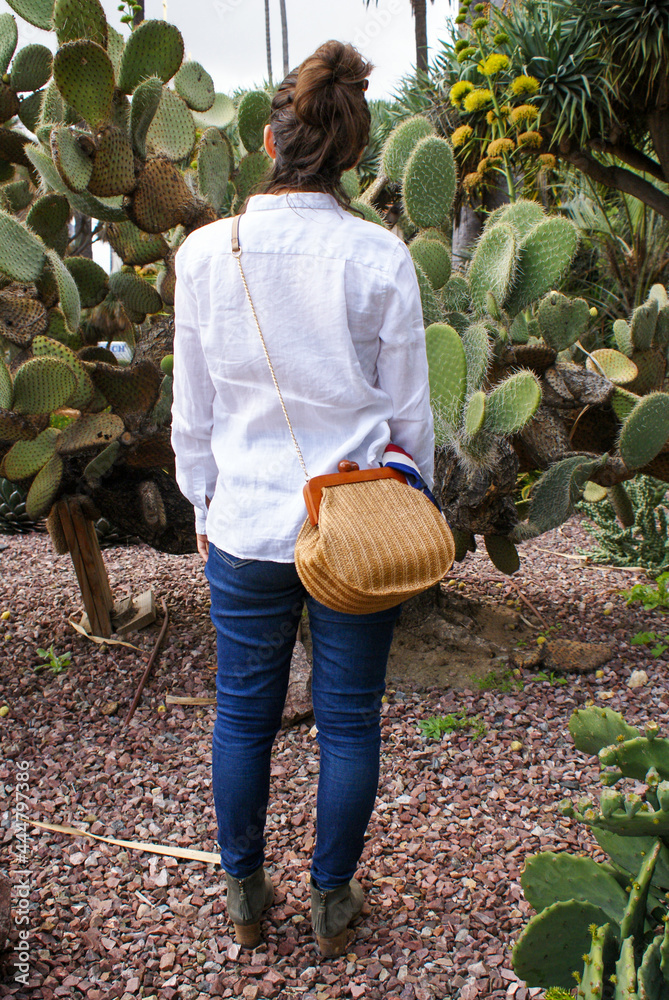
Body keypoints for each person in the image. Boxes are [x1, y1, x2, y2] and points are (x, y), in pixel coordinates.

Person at [171, 39, 434, 958]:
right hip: (355, 525)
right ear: (353, 152)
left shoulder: (206, 254)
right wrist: (416, 503)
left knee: (242, 713)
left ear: (273, 141)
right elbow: (410, 413)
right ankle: (331, 901)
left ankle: (244, 894)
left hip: (243, 519)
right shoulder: (378, 256)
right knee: (349, 718)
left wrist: (201, 506)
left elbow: (191, 411)